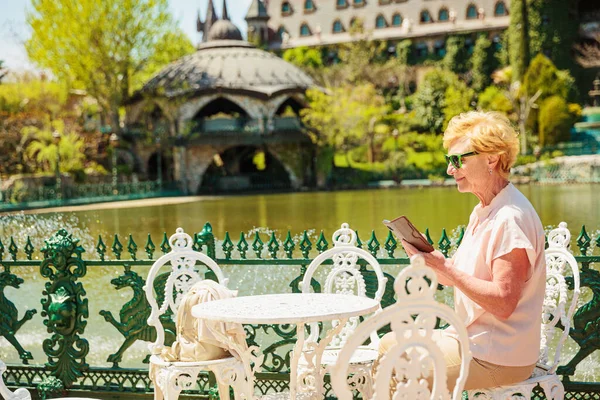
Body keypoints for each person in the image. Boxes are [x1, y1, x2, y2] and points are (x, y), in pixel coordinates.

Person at [376, 111, 547, 391]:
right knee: (388, 345)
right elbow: (454, 276)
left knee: (400, 363)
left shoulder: (510, 218)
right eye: (449, 161)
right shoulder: (484, 211)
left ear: (491, 159)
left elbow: (504, 303)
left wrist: (447, 270)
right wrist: (429, 262)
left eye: (458, 160)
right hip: (472, 342)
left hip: (499, 355)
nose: (450, 170)